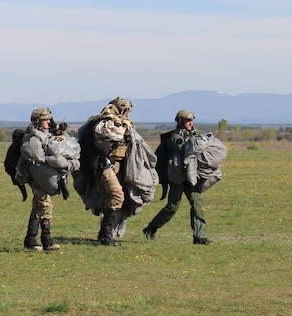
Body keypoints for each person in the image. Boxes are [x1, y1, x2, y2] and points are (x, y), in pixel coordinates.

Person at [143, 110, 211, 244]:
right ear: (180, 122)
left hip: (191, 177)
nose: (190, 123)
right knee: (173, 207)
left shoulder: (194, 135)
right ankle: (151, 228)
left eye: (191, 121)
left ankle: (199, 236)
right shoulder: (173, 137)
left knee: (197, 204)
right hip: (178, 177)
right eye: (187, 121)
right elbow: (185, 151)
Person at [16, 108, 80, 251]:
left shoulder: (46, 134)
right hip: (36, 176)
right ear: (38, 121)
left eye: (49, 119)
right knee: (45, 205)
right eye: (45, 120)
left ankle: (32, 240)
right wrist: (58, 161)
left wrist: (60, 134)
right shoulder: (32, 138)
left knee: (39, 206)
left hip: (43, 175)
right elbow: (39, 158)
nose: (48, 122)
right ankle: (45, 240)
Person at [90, 97, 134, 245]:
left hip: (114, 166)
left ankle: (105, 237)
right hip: (105, 166)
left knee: (110, 199)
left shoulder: (117, 123)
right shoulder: (107, 123)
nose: (127, 114)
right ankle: (107, 235)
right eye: (126, 111)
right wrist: (123, 125)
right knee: (117, 196)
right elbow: (115, 135)